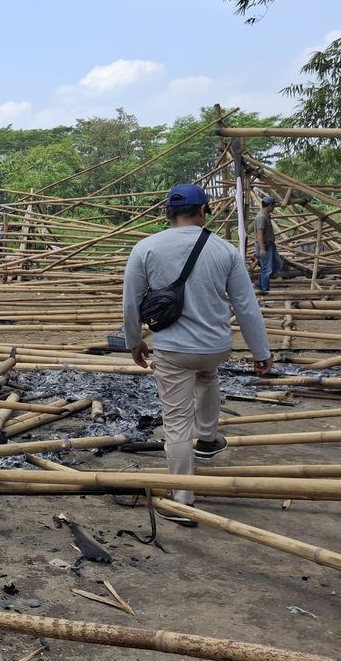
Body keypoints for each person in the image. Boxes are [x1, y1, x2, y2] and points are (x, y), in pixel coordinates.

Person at [123, 184, 272, 527]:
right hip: (215, 347)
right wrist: (261, 351)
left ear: (167, 213)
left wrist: (134, 341)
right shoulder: (224, 250)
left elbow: (130, 302)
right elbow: (246, 306)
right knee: (207, 376)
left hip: (173, 349)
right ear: (204, 210)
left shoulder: (146, 248)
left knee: (175, 423)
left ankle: (182, 500)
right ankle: (207, 438)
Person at [254, 195, 282, 294]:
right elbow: (259, 233)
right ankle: (265, 290)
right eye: (273, 205)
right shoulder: (261, 217)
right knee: (267, 269)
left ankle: (260, 282)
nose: (274, 207)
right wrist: (262, 249)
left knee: (278, 264)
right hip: (264, 245)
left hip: (270, 244)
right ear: (269, 205)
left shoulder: (266, 215)